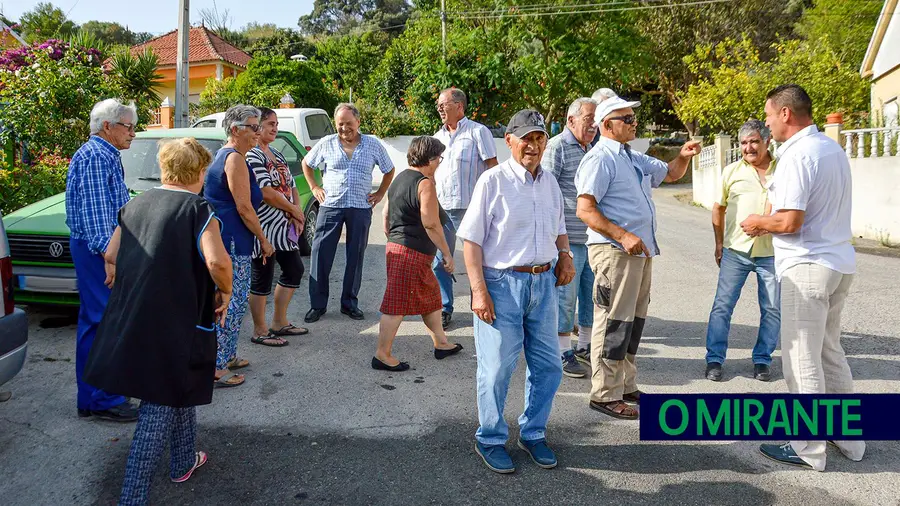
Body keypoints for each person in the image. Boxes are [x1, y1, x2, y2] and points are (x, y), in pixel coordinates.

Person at [84, 137, 233, 505]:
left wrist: (116, 270)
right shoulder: (199, 210)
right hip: (176, 323)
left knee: (179, 388)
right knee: (158, 404)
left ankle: (183, 460)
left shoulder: (136, 203)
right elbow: (217, 262)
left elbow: (112, 252)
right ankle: (132, 497)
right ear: (199, 172)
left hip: (134, 317)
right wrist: (226, 292)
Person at [741, 84, 865, 471]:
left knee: (801, 359)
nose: (765, 123)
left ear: (785, 114)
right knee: (830, 353)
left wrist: (758, 222)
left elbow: (789, 221)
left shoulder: (797, 155)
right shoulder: (831, 149)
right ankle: (850, 440)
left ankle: (807, 447)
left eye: (767, 115)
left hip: (807, 266)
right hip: (837, 262)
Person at [458, 109, 575, 474]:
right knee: (496, 369)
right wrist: (478, 291)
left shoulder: (549, 182)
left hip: (543, 283)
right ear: (509, 140)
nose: (533, 145)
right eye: (526, 138)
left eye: (539, 138)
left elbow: (559, 226)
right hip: (502, 284)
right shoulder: (492, 181)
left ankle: (533, 432)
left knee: (549, 367)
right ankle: (490, 438)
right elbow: (472, 242)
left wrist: (566, 254)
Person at [575, 94, 700, 420]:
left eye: (633, 118)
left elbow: (670, 174)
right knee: (613, 324)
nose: (634, 123)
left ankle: (626, 385)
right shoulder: (600, 159)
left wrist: (684, 156)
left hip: (637, 253)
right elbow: (585, 209)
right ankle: (604, 394)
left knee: (632, 324)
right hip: (614, 253)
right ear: (606, 125)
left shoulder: (630, 156)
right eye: (627, 119)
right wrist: (623, 235)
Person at [65, 98, 139, 422]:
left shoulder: (103, 154)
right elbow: (97, 219)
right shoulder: (97, 156)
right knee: (105, 322)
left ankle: (92, 396)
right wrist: (110, 258)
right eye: (129, 126)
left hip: (100, 249)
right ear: (108, 126)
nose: (133, 133)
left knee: (95, 322)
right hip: (100, 251)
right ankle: (104, 399)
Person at [373, 136, 465, 371]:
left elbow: (386, 213)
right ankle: (382, 355)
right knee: (396, 304)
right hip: (410, 252)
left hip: (400, 247)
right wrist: (446, 253)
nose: (439, 163)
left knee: (432, 297)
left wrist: (392, 237)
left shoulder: (401, 178)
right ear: (431, 159)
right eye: (439, 158)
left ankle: (441, 342)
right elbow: (431, 224)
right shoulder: (424, 184)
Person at [302, 103, 395, 323]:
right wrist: (315, 187)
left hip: (360, 208)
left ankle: (349, 304)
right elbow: (307, 163)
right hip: (331, 206)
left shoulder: (372, 144)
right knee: (320, 254)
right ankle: (317, 305)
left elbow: (389, 169)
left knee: (355, 256)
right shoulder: (326, 143)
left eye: (349, 124)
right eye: (340, 124)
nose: (344, 128)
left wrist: (381, 192)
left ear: (358, 122)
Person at [203, 105, 274, 388]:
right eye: (253, 127)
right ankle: (217, 366)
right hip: (232, 239)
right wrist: (265, 239)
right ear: (235, 130)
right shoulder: (233, 160)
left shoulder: (230, 156)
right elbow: (244, 207)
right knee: (230, 302)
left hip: (230, 238)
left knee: (233, 299)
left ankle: (227, 354)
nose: (258, 132)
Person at [705, 119, 779, 382]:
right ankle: (714, 359)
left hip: (772, 253)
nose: (748, 147)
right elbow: (718, 208)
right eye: (744, 142)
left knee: (771, 308)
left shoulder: (782, 169)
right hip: (735, 250)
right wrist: (718, 243)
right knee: (722, 306)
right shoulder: (732, 171)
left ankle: (762, 360)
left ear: (767, 141)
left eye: (754, 141)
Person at [432, 88, 499, 329]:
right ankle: (444, 307)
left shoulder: (478, 132)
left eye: (444, 104)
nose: (439, 108)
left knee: (478, 261)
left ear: (459, 106)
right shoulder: (437, 137)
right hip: (442, 209)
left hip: (472, 209)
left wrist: (493, 204)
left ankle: (479, 304)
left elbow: (492, 168)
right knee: (440, 261)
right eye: (438, 104)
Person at [542, 97, 597, 379]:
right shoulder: (557, 146)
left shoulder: (593, 147)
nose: (594, 125)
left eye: (595, 119)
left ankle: (585, 346)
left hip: (592, 237)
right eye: (588, 119)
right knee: (566, 296)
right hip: (568, 239)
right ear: (571, 120)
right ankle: (563, 351)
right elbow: (546, 191)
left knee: (590, 295)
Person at [247, 107, 308, 346]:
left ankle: (279, 322)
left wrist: (297, 210)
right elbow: (266, 193)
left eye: (276, 123)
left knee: (294, 269)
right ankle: (260, 330)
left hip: (283, 227)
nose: (275, 128)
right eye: (270, 123)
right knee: (262, 276)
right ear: (257, 126)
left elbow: (291, 183)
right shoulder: (253, 156)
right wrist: (293, 211)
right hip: (263, 225)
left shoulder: (276, 153)